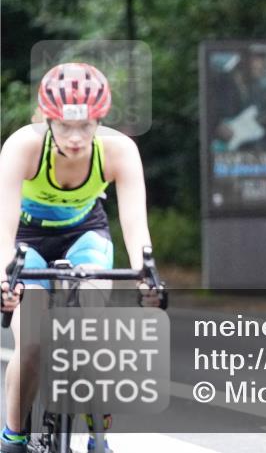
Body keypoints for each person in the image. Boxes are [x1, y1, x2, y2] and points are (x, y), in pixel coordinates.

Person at [0, 63, 160, 453]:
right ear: (46, 119)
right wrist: (6, 278)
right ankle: (14, 435)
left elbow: (136, 227)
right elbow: (2, 227)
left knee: (93, 327)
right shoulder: (23, 145)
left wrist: (147, 275)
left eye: (86, 126)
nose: (75, 138)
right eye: (65, 126)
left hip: (84, 233)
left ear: (100, 120)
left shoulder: (119, 150)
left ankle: (96, 430)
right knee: (34, 342)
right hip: (27, 238)